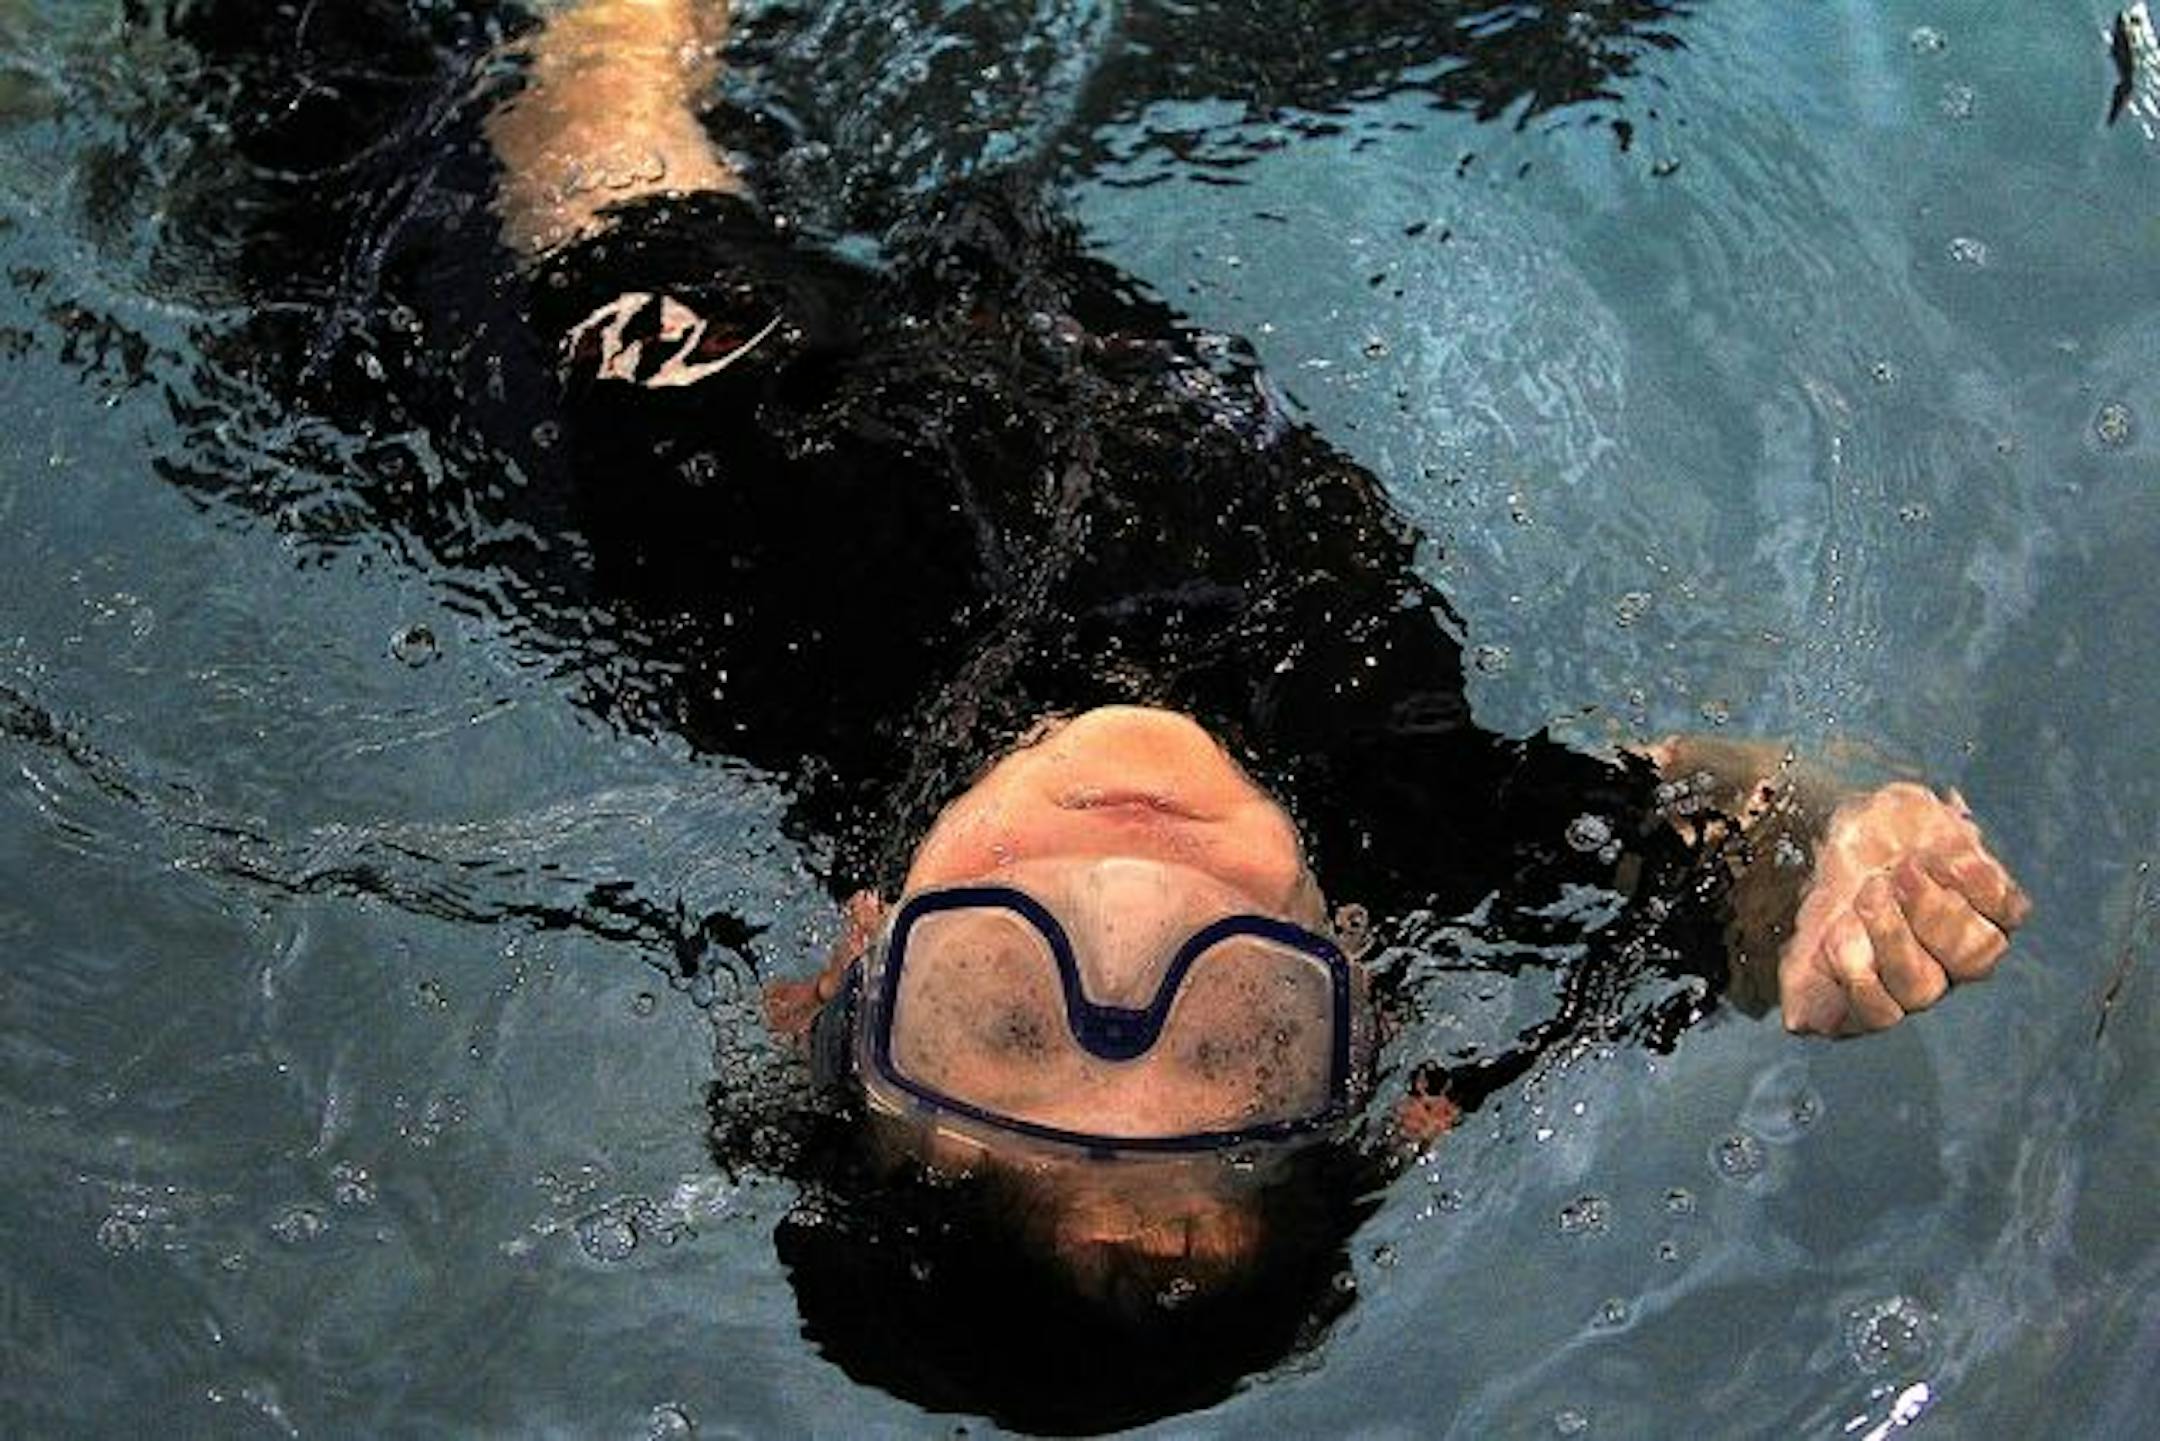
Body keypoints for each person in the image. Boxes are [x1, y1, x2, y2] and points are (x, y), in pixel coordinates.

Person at [159, 0, 2030, 1427]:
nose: (1128, 900)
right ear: (1375, 1031)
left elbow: (594, 112)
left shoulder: (752, 536)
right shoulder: (1417, 842)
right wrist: (1822, 849)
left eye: (994, 996)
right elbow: (1704, 834)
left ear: (843, 975)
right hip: (962, 235)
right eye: (1229, 1040)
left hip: (383, 194)